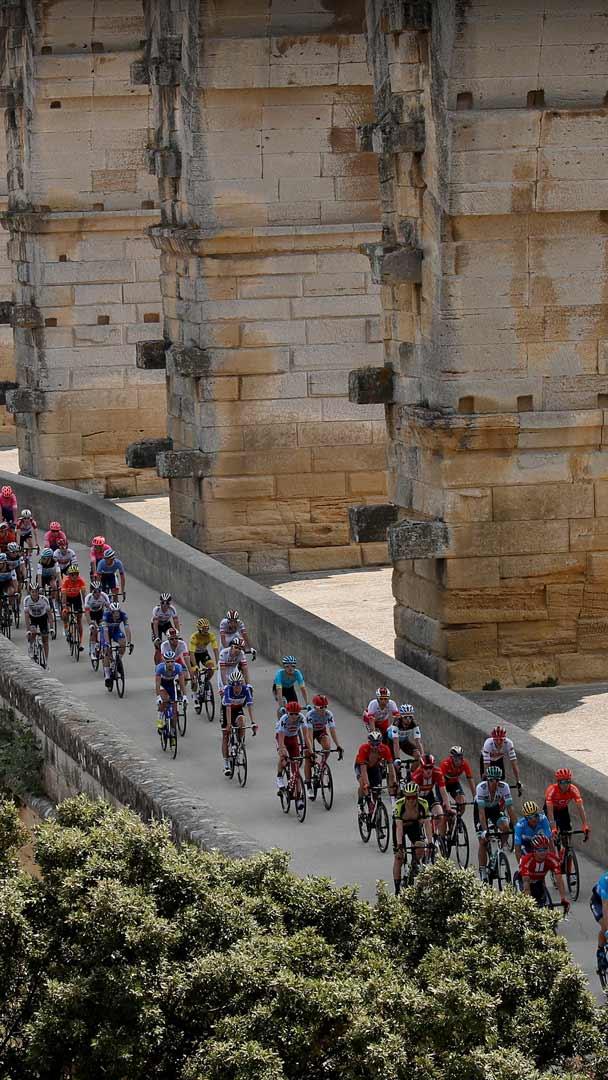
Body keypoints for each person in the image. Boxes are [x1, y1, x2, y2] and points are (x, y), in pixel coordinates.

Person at [475, 765, 518, 882]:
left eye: (497, 780)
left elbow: (510, 808)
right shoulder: (481, 788)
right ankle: (483, 870)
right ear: (487, 780)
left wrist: (517, 826)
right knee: (483, 841)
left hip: (494, 809)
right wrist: (485, 831)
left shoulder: (504, 787)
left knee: (506, 828)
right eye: (492, 780)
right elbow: (481, 814)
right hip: (481, 810)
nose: (495, 783)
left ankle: (499, 851)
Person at [392, 781, 434, 895]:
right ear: (404, 796)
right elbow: (399, 828)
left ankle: (414, 864)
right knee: (399, 857)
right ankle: (397, 888)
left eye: (413, 797)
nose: (411, 800)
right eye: (408, 797)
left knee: (420, 846)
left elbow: (427, 824)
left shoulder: (423, 803)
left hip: (414, 826)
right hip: (401, 826)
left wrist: (430, 842)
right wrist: (399, 846)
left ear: (417, 795)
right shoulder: (399, 804)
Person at [303, 694, 343, 797]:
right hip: (310, 732)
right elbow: (309, 735)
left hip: (321, 731)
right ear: (315, 707)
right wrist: (311, 751)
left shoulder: (328, 714)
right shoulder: (310, 715)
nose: (324, 709)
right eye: (321, 707)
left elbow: (332, 730)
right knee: (308, 755)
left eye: (325, 706)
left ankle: (321, 765)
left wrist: (338, 745)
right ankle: (308, 785)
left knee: (327, 746)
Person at [518, 835, 569, 913]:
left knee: (543, 903)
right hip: (523, 881)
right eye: (540, 850)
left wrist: (563, 898)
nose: (543, 852)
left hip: (538, 881)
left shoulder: (552, 859)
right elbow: (526, 883)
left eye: (545, 849)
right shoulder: (527, 860)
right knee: (524, 906)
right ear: (534, 850)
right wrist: (528, 903)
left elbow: (559, 879)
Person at [221, 670, 256, 775]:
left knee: (242, 722)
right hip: (227, 710)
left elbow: (250, 706)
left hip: (238, 709)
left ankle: (240, 743)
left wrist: (253, 722)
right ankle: (226, 764)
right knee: (226, 735)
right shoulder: (227, 690)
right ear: (231, 685)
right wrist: (228, 724)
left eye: (239, 684)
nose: (237, 688)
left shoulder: (246, 689)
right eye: (234, 685)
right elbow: (228, 708)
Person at [275, 700, 312, 792]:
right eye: (291, 714)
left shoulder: (301, 718)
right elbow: (281, 738)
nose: (294, 716)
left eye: (296, 714)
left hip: (293, 738)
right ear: (287, 713)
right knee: (283, 757)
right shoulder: (284, 719)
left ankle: (298, 793)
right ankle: (279, 776)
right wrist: (282, 749)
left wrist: (311, 751)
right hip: (282, 737)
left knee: (295, 766)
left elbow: (306, 737)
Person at [545, 767, 590, 841]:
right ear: (558, 782)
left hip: (563, 809)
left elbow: (580, 808)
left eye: (568, 781)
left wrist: (585, 824)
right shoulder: (551, 790)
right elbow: (550, 812)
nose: (566, 785)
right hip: (552, 809)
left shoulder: (573, 790)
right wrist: (553, 828)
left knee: (567, 830)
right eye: (563, 782)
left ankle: (566, 844)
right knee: (551, 831)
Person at [354, 729, 395, 803]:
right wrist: (367, 784)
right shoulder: (363, 749)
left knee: (377, 788)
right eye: (372, 744)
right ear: (369, 742)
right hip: (361, 766)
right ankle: (360, 803)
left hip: (374, 766)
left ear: (381, 742)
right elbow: (363, 771)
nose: (375, 747)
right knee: (363, 784)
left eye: (377, 744)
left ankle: (376, 806)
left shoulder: (385, 749)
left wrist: (393, 782)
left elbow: (391, 769)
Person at [411, 753, 450, 827]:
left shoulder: (437, 772)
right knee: (420, 820)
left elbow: (443, 790)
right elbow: (412, 795)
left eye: (431, 767)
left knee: (440, 815)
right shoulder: (416, 776)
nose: (428, 770)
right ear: (421, 767)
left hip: (429, 796)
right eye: (426, 768)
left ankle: (434, 831)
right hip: (418, 798)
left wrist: (448, 808)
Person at [155, 650, 187, 739]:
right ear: (164, 661)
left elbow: (182, 683)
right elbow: (157, 684)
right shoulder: (160, 668)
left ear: (174, 661)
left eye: (172, 661)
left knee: (174, 709)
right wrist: (158, 697)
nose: (170, 664)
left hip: (172, 684)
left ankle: (173, 728)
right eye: (168, 662)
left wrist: (184, 696)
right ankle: (160, 720)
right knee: (164, 700)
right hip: (163, 685)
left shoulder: (178, 667)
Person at [100, 600, 133, 688]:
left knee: (123, 643)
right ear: (111, 612)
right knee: (107, 651)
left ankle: (117, 661)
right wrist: (107, 643)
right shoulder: (106, 616)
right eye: (115, 612)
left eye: (118, 611)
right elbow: (105, 631)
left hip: (115, 631)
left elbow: (127, 628)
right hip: (106, 632)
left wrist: (129, 642)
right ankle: (107, 676)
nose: (117, 614)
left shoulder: (123, 615)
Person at [480, 725, 521, 792]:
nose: (498, 742)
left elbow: (514, 763)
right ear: (493, 739)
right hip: (487, 760)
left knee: (501, 780)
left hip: (498, 760)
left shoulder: (509, 744)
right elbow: (486, 764)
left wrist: (518, 781)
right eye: (496, 740)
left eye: (501, 739)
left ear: (504, 739)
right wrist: (487, 778)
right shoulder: (488, 744)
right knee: (487, 781)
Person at [388, 703, 424, 777]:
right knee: (395, 765)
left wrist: (423, 756)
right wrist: (397, 758)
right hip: (391, 741)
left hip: (404, 741)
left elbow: (418, 742)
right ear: (401, 717)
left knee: (418, 755)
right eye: (405, 717)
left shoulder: (414, 723)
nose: (408, 720)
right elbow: (395, 742)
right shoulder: (397, 723)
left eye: (410, 717)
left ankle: (412, 775)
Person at [218, 637, 249, 721]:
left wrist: (248, 684)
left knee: (241, 685)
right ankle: (223, 712)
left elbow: (245, 669)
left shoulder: (241, 654)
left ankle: (237, 712)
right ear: (231, 646)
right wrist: (225, 685)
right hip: (224, 670)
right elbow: (223, 671)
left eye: (240, 648)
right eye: (236, 647)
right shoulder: (224, 653)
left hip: (233, 669)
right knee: (224, 692)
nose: (238, 650)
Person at [439, 746, 476, 814]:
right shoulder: (445, 764)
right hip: (443, 785)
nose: (458, 761)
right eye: (456, 758)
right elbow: (441, 783)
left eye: (460, 758)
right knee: (443, 807)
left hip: (454, 784)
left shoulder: (464, 763)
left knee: (462, 802)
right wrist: (445, 800)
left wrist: (475, 796)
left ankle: (458, 818)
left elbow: (470, 779)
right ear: (451, 758)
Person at [59, 563, 87, 649]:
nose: (74, 576)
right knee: (66, 614)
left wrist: (86, 606)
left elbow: (84, 595)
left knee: (79, 619)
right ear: (69, 575)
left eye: (76, 574)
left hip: (76, 598)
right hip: (67, 598)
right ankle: (66, 628)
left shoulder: (81, 580)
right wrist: (64, 607)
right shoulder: (65, 581)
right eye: (72, 574)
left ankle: (80, 642)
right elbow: (63, 596)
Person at [24, 583, 51, 663]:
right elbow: (26, 615)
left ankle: (46, 661)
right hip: (33, 618)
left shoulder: (44, 599)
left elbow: (49, 614)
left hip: (43, 618)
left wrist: (52, 627)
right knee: (33, 632)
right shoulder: (27, 600)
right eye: (32, 592)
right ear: (30, 592)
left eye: (36, 591)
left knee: (45, 640)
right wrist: (28, 630)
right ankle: (31, 646)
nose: (34, 594)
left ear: (38, 592)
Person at [84, 580, 111, 657]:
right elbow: (87, 613)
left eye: (99, 591)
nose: (97, 593)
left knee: (104, 627)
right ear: (92, 591)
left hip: (100, 613)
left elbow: (109, 609)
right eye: (95, 591)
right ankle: (92, 650)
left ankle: (104, 644)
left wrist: (109, 620)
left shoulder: (104, 596)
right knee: (94, 629)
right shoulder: (88, 597)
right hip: (91, 614)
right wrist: (90, 623)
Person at [590, 870, 608, 975]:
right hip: (599, 903)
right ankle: (600, 951)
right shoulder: (605, 881)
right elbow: (605, 908)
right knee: (605, 926)